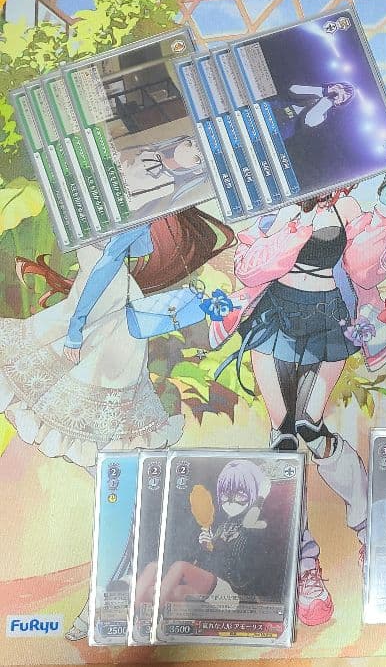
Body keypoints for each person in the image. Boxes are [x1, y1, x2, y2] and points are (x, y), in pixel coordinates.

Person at [0, 209, 235, 639]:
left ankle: (113, 598)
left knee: (120, 491)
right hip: (99, 341)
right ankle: (114, 597)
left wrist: (76, 327)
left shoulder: (120, 238)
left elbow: (108, 269)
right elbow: (105, 271)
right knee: (119, 491)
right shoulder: (111, 233)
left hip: (105, 348)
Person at [218, 162, 386, 625]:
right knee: (283, 441)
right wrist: (300, 219)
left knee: (311, 429)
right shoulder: (276, 208)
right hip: (275, 319)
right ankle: (302, 561)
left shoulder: (348, 206)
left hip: (329, 317)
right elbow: (250, 268)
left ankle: (372, 528)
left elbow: (368, 271)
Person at [134, 460, 282, 611]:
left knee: (180, 567)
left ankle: (155, 612)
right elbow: (208, 561)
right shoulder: (222, 526)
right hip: (211, 587)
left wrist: (261, 496)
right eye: (226, 494)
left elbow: (248, 523)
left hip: (233, 593)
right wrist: (206, 547)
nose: (231, 500)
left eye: (240, 494)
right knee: (158, 572)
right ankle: (135, 614)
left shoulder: (258, 523)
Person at [270, 82, 356, 139]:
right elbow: (293, 89)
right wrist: (324, 91)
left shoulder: (323, 116)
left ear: (339, 103)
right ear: (332, 85)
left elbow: (307, 120)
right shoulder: (317, 90)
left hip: (284, 127)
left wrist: (329, 101)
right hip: (277, 107)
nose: (338, 93)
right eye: (339, 87)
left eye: (343, 97)